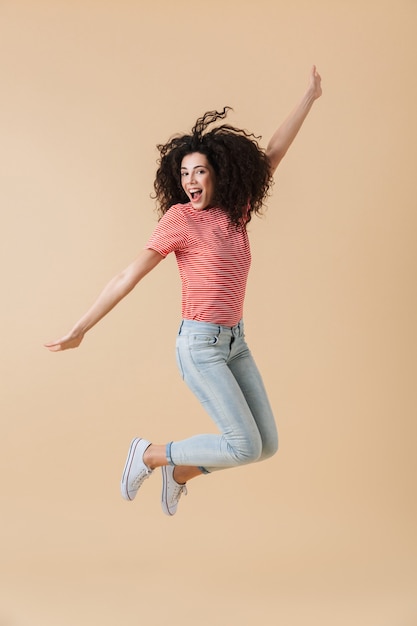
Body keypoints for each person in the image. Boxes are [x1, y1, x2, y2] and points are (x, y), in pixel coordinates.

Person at [45, 66, 322, 516]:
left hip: (236, 342)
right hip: (200, 346)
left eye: (200, 171)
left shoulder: (237, 210)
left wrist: (309, 97)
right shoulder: (179, 219)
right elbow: (126, 277)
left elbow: (272, 152)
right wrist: (81, 328)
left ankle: (178, 473)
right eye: (184, 173)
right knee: (243, 445)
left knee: (264, 445)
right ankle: (150, 454)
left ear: (220, 173)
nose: (191, 180)